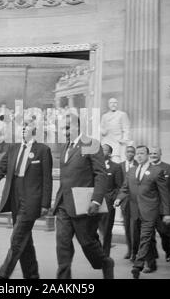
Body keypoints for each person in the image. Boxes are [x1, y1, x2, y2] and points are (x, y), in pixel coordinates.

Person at [0, 119, 53, 279]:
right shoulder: (13, 148)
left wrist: (45, 204)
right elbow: (1, 168)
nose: (23, 129)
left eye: (27, 127)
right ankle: (32, 275)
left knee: (17, 237)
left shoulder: (43, 150)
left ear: (34, 130)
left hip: (32, 199)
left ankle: (3, 275)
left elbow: (47, 179)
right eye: (22, 126)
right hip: (14, 196)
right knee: (24, 240)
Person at [52, 113, 113, 279]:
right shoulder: (65, 147)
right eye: (62, 128)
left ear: (77, 126)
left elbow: (101, 174)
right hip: (64, 205)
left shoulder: (91, 144)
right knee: (62, 244)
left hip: (83, 205)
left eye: (67, 127)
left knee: (87, 243)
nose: (64, 131)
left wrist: (96, 200)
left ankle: (105, 262)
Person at [115, 146, 170, 279]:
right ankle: (151, 263)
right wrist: (119, 198)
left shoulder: (157, 171)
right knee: (144, 239)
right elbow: (125, 188)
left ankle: (137, 265)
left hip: (150, 211)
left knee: (145, 237)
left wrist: (167, 213)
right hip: (135, 211)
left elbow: (164, 194)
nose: (139, 156)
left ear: (147, 156)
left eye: (142, 153)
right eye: (137, 154)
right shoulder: (131, 171)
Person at [149, 147, 170, 262]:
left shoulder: (168, 168)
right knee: (149, 234)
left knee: (164, 233)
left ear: (161, 154)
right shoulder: (146, 167)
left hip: (163, 206)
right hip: (149, 207)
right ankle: (152, 256)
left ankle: (168, 250)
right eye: (151, 153)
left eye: (155, 153)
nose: (153, 155)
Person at [98, 144, 124, 256]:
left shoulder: (116, 167)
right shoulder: (95, 166)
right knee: (94, 227)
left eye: (103, 150)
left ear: (109, 153)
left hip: (108, 203)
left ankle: (105, 254)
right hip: (95, 202)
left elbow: (119, 186)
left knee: (107, 229)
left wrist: (113, 199)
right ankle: (97, 252)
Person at [119, 146, 137, 260]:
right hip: (124, 201)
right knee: (126, 226)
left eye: (132, 152)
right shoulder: (119, 166)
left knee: (134, 228)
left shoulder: (138, 165)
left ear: (134, 154)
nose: (130, 153)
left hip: (136, 201)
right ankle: (129, 250)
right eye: (128, 151)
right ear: (125, 153)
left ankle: (135, 252)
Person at [100, 98, 132, 163]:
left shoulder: (122, 114)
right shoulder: (104, 116)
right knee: (105, 159)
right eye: (111, 103)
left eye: (115, 103)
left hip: (117, 141)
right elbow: (102, 129)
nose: (113, 104)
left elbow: (126, 128)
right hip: (107, 140)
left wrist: (125, 139)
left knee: (116, 159)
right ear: (108, 105)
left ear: (117, 104)